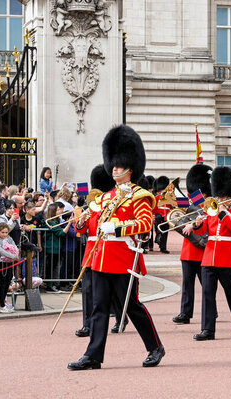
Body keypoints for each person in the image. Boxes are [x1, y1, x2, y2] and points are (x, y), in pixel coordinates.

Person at [68, 125, 164, 370]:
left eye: (119, 165)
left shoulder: (140, 196)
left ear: (130, 168)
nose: (114, 168)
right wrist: (80, 223)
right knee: (99, 308)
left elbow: (144, 224)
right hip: (100, 259)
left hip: (123, 259)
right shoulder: (104, 197)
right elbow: (89, 225)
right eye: (113, 164)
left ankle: (155, 347)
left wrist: (118, 227)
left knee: (131, 307)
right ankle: (93, 356)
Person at [192, 166, 231, 341]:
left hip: (226, 257)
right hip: (209, 256)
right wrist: (197, 224)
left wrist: (223, 212)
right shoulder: (212, 208)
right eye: (219, 195)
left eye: (223, 196)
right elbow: (205, 228)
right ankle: (208, 329)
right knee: (208, 293)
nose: (220, 198)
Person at [74, 164, 116, 337]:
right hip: (90, 253)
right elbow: (81, 230)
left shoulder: (110, 207)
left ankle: (119, 317)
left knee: (107, 291)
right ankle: (87, 324)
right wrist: (82, 220)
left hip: (106, 251)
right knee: (88, 290)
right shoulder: (90, 209)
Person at [172, 163, 212, 324]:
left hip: (203, 251)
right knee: (187, 285)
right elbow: (178, 224)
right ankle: (185, 313)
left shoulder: (210, 206)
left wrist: (193, 225)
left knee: (207, 286)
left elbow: (209, 228)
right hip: (189, 251)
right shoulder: (189, 206)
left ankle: (211, 311)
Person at [0, 222, 19, 313]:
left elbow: (15, 246)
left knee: (8, 282)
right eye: (2, 232)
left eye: (6, 232)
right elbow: (0, 250)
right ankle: (1, 304)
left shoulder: (9, 238)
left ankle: (3, 302)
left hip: (9, 263)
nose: (4, 234)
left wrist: (16, 253)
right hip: (1, 262)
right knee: (2, 283)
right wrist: (13, 256)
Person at [153, 176, 171, 254]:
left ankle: (163, 247)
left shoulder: (169, 198)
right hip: (159, 216)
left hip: (166, 216)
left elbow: (171, 207)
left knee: (165, 232)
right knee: (159, 230)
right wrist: (154, 215)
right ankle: (158, 238)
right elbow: (154, 208)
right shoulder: (156, 198)